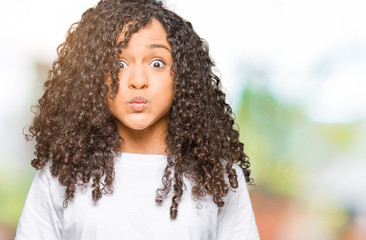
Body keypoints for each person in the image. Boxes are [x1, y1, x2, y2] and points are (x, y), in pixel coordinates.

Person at [15, 0, 260, 239]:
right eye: (118, 63)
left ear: (184, 76)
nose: (138, 80)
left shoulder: (219, 177)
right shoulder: (60, 177)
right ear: (92, 77)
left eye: (157, 63)